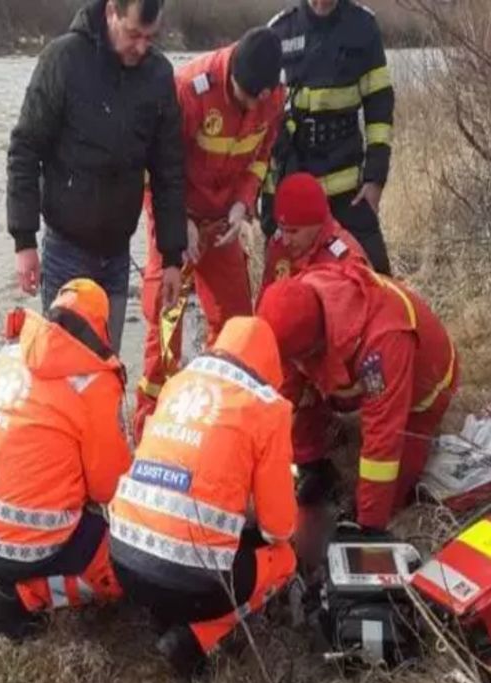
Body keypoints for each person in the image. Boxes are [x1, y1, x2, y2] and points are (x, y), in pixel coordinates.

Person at [110, 317, 298, 676]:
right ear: (271, 366)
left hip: (124, 561)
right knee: (284, 559)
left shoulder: (177, 383)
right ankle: (194, 639)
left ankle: (160, 614)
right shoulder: (267, 408)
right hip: (192, 582)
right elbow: (279, 528)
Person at [0, 279, 131, 640]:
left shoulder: (12, 350)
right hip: (19, 538)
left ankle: (11, 576)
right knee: (125, 570)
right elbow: (109, 487)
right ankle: (20, 595)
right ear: (101, 329)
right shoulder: (94, 382)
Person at [6, 0, 187, 353]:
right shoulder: (63, 60)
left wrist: (172, 257)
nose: (141, 47)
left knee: (105, 366)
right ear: (110, 13)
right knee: (63, 366)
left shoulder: (159, 75)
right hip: (66, 249)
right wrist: (24, 240)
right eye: (134, 34)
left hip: (117, 253)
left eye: (150, 37)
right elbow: (25, 149)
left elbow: (168, 171)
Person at [133, 27, 285, 441]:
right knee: (166, 325)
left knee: (237, 325)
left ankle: (222, 425)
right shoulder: (189, 90)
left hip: (223, 224)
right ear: (231, 71)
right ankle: (150, 431)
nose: (252, 105)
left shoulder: (272, 96)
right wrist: (176, 223)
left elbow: (262, 154)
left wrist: (243, 202)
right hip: (176, 221)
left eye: (260, 98)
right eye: (244, 96)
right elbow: (155, 168)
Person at [257, 263, 458, 532]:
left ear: (316, 344)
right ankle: (313, 464)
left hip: (423, 390)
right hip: (352, 363)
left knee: (394, 483)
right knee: (300, 396)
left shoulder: (383, 342)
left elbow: (382, 440)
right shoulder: (299, 296)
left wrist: (369, 526)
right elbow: (281, 392)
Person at [264, 0, 395, 275]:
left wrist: (375, 178)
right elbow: (262, 122)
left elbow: (379, 107)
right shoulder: (280, 31)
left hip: (350, 191)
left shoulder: (363, 27)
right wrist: (266, 200)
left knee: (377, 279)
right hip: (295, 187)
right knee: (288, 291)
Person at [261, 171, 369, 289]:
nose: (285, 241)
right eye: (282, 230)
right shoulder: (278, 247)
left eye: (293, 231)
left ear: (316, 225)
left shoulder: (346, 264)